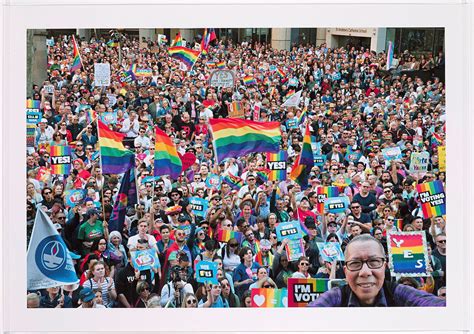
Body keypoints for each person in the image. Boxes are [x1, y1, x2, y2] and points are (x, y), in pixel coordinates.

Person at [310, 235, 446, 307]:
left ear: (384, 266)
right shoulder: (336, 297)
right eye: (355, 263)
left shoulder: (399, 293)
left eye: (374, 262)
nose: (365, 272)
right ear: (345, 271)